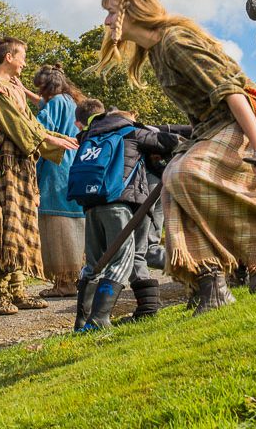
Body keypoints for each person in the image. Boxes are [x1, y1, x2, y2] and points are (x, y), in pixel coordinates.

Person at [93, 0, 256, 314]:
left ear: (132, 12)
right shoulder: (155, 50)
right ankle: (210, 282)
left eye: (113, 12)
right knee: (174, 181)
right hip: (211, 126)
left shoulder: (174, 41)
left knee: (183, 174)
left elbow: (231, 90)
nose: (107, 21)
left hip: (241, 119)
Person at [0, 38, 77, 315]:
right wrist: (50, 142)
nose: (24, 62)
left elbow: (31, 123)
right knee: (6, 227)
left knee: (22, 227)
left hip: (22, 164)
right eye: (22, 56)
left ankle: (18, 290)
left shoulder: (12, 88)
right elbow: (18, 125)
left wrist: (58, 137)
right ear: (8, 56)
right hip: (6, 164)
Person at [70, 103, 182, 330]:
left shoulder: (88, 135)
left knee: (93, 262)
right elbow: (169, 142)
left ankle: (82, 320)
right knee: (123, 259)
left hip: (91, 204)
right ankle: (100, 319)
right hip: (120, 204)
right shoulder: (131, 132)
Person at [32, 64, 86, 298]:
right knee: (74, 223)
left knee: (57, 224)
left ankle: (64, 284)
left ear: (46, 87)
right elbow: (44, 105)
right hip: (73, 165)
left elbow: (38, 129)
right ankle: (76, 277)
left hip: (56, 168)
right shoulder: (70, 102)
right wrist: (24, 91)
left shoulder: (54, 103)